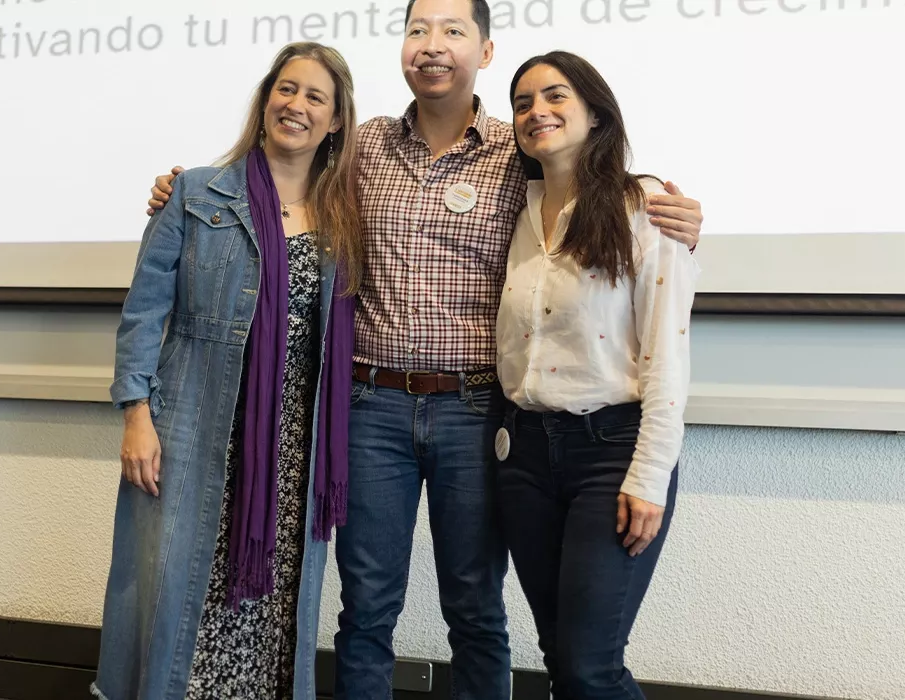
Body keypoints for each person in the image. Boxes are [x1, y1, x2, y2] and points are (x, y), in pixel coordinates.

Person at [147, 2, 705, 697]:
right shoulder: (361, 147)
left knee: (474, 605)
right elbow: (280, 168)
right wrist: (186, 191)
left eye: (452, 32)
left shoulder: (520, 153)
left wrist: (681, 217)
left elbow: (593, 205)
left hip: (475, 411)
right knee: (367, 606)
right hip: (369, 405)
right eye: (418, 31)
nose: (432, 46)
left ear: (485, 50)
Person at [95, 41, 363, 700]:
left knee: (270, 613)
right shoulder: (193, 193)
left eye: (314, 98)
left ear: (335, 122)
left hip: (292, 451)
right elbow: (143, 313)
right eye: (286, 89)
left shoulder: (345, 218)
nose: (295, 105)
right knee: (172, 598)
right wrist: (136, 414)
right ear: (266, 97)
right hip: (191, 429)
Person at [493, 50, 698, 699]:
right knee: (562, 658)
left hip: (611, 454)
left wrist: (649, 476)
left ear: (595, 112)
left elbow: (668, 354)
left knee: (590, 665)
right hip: (523, 456)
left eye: (554, 96)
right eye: (522, 102)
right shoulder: (516, 214)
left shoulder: (647, 208)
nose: (536, 112)